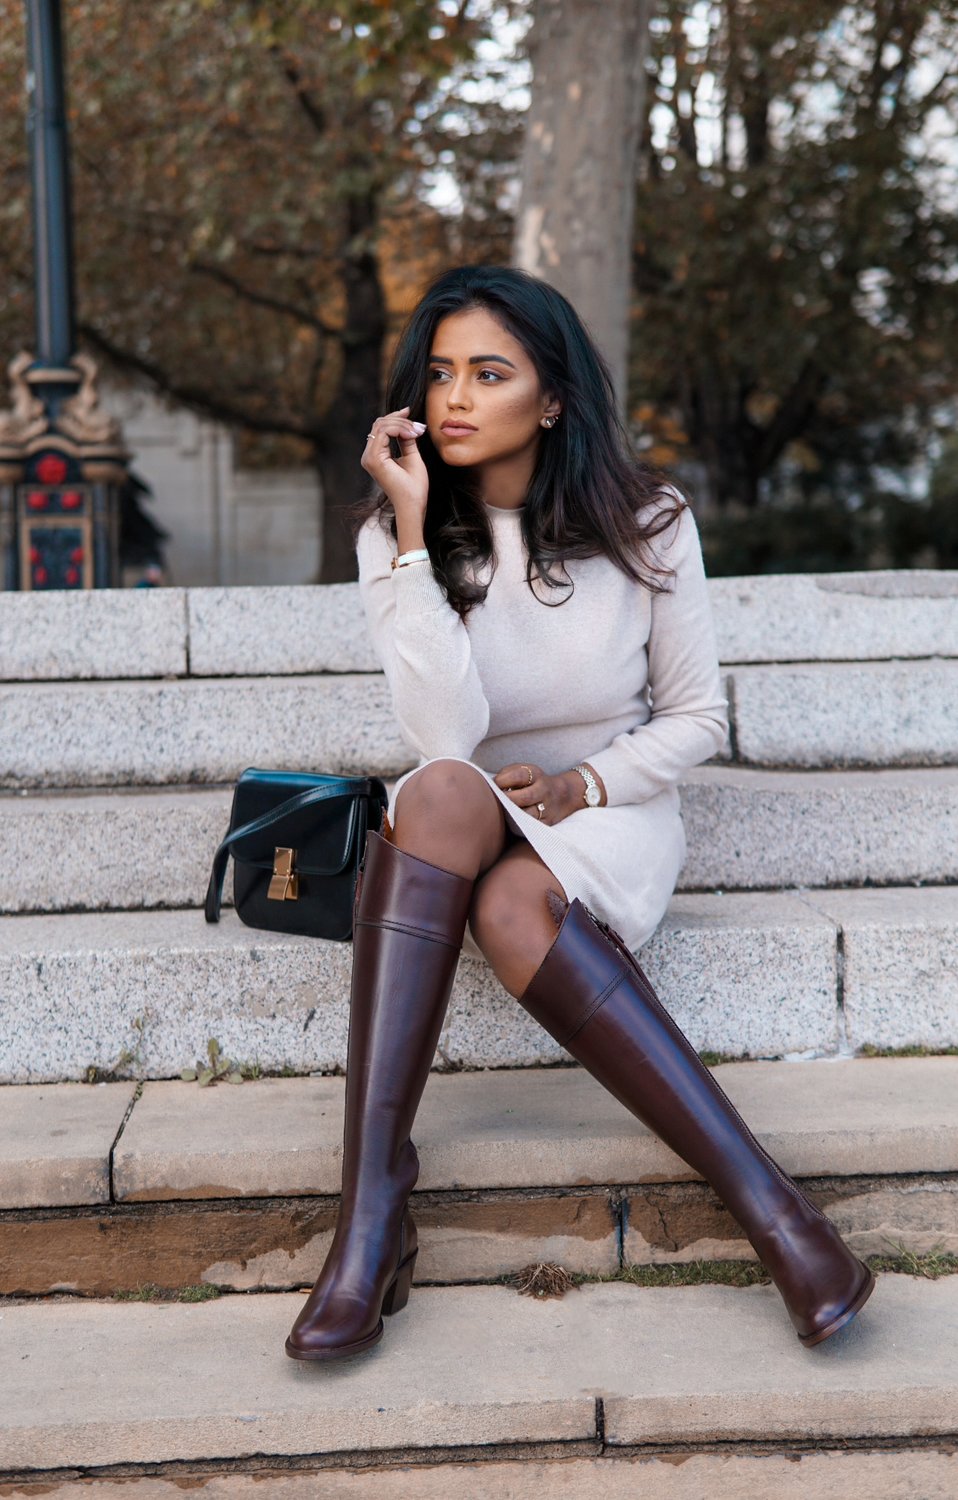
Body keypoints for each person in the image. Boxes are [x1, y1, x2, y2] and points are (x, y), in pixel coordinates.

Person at [285, 265, 874, 1362]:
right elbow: (443, 734)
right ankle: (367, 1212)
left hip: (609, 808)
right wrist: (415, 537)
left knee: (513, 913)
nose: (455, 397)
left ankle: (772, 1209)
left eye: (490, 373)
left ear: (551, 399)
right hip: (467, 806)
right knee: (447, 788)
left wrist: (582, 784)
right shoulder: (394, 536)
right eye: (441, 373)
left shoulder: (646, 521)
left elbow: (697, 717)